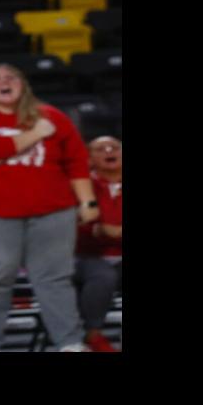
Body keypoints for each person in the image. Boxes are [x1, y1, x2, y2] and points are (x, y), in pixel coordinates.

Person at [0, 63, 97, 352]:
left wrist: (88, 201)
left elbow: (76, 160)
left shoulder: (52, 116)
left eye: (11, 76)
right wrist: (36, 133)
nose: (4, 81)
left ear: (23, 84)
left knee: (55, 279)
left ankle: (70, 343)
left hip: (54, 211)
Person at [74, 134, 120, 352]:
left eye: (114, 147)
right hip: (87, 256)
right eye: (101, 149)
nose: (109, 152)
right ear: (89, 158)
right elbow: (72, 223)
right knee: (103, 274)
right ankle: (93, 333)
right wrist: (98, 230)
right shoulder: (81, 186)